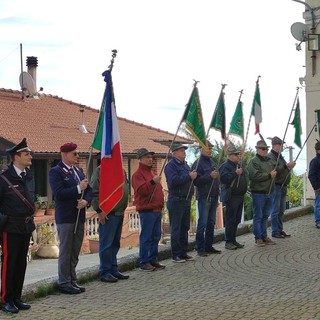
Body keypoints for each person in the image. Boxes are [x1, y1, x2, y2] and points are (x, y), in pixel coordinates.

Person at [49, 142, 92, 294]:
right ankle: (63, 281)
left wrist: (86, 201)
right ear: (64, 155)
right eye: (74, 154)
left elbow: (89, 190)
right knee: (66, 251)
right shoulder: (56, 172)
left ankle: (72, 279)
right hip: (66, 217)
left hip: (79, 216)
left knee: (75, 251)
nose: (77, 156)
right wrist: (78, 188)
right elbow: (59, 194)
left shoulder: (78, 171)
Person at [0, 138, 35, 314]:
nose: (30, 156)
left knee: (21, 263)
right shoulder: (4, 178)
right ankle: (5, 299)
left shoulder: (28, 175)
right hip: (10, 227)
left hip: (26, 226)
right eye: (26, 154)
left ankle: (16, 297)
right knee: (9, 263)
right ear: (16, 157)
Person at [90, 167, 130, 282]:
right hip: (108, 213)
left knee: (115, 243)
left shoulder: (121, 169)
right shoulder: (100, 170)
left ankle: (113, 269)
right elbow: (94, 191)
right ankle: (105, 271)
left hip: (119, 212)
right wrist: (99, 210)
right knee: (106, 244)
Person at [132, 148, 165, 271]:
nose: (150, 159)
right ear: (140, 159)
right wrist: (152, 182)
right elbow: (141, 191)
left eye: (151, 157)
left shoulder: (152, 172)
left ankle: (153, 259)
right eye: (147, 157)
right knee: (146, 237)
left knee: (156, 236)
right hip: (147, 210)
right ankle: (144, 261)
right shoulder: (137, 175)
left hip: (156, 209)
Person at [164, 143, 197, 263]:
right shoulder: (171, 166)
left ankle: (184, 252)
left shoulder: (185, 165)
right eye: (181, 151)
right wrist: (189, 176)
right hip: (176, 200)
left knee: (185, 227)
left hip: (186, 199)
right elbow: (173, 181)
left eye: (184, 150)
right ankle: (176, 254)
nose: (184, 153)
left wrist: (192, 176)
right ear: (175, 153)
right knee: (176, 228)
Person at [192, 144, 221, 256]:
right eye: (208, 148)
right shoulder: (197, 163)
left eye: (211, 148)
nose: (210, 150)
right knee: (202, 223)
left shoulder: (212, 162)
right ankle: (200, 248)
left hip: (213, 196)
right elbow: (196, 181)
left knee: (211, 222)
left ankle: (208, 246)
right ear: (201, 149)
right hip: (204, 196)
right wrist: (209, 176)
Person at [248, 140, 277, 247]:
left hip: (270, 192)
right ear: (258, 149)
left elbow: (275, 170)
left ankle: (264, 236)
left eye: (267, 149)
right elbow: (254, 176)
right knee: (258, 216)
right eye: (263, 149)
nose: (265, 150)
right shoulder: (253, 161)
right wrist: (269, 175)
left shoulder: (269, 160)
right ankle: (258, 238)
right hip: (258, 193)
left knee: (265, 216)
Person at [219, 145, 248, 250]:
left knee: (236, 219)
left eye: (238, 154)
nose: (238, 156)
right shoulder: (225, 166)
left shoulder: (238, 165)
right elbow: (224, 179)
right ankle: (228, 241)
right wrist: (235, 173)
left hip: (239, 196)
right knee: (230, 219)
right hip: (231, 196)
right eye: (236, 154)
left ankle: (233, 239)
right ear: (230, 156)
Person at [268, 136, 296, 238]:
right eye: (281, 145)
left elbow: (283, 169)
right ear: (276, 145)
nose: (282, 147)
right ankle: (275, 231)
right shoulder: (271, 156)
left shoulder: (280, 156)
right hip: (276, 186)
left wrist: (288, 167)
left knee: (281, 209)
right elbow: (274, 170)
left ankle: (279, 229)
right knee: (275, 210)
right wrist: (286, 166)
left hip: (283, 185)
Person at [308, 140, 320, 228]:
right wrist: (316, 187)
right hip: (319, 187)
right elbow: (311, 175)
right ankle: (318, 221)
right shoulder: (315, 161)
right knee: (318, 205)